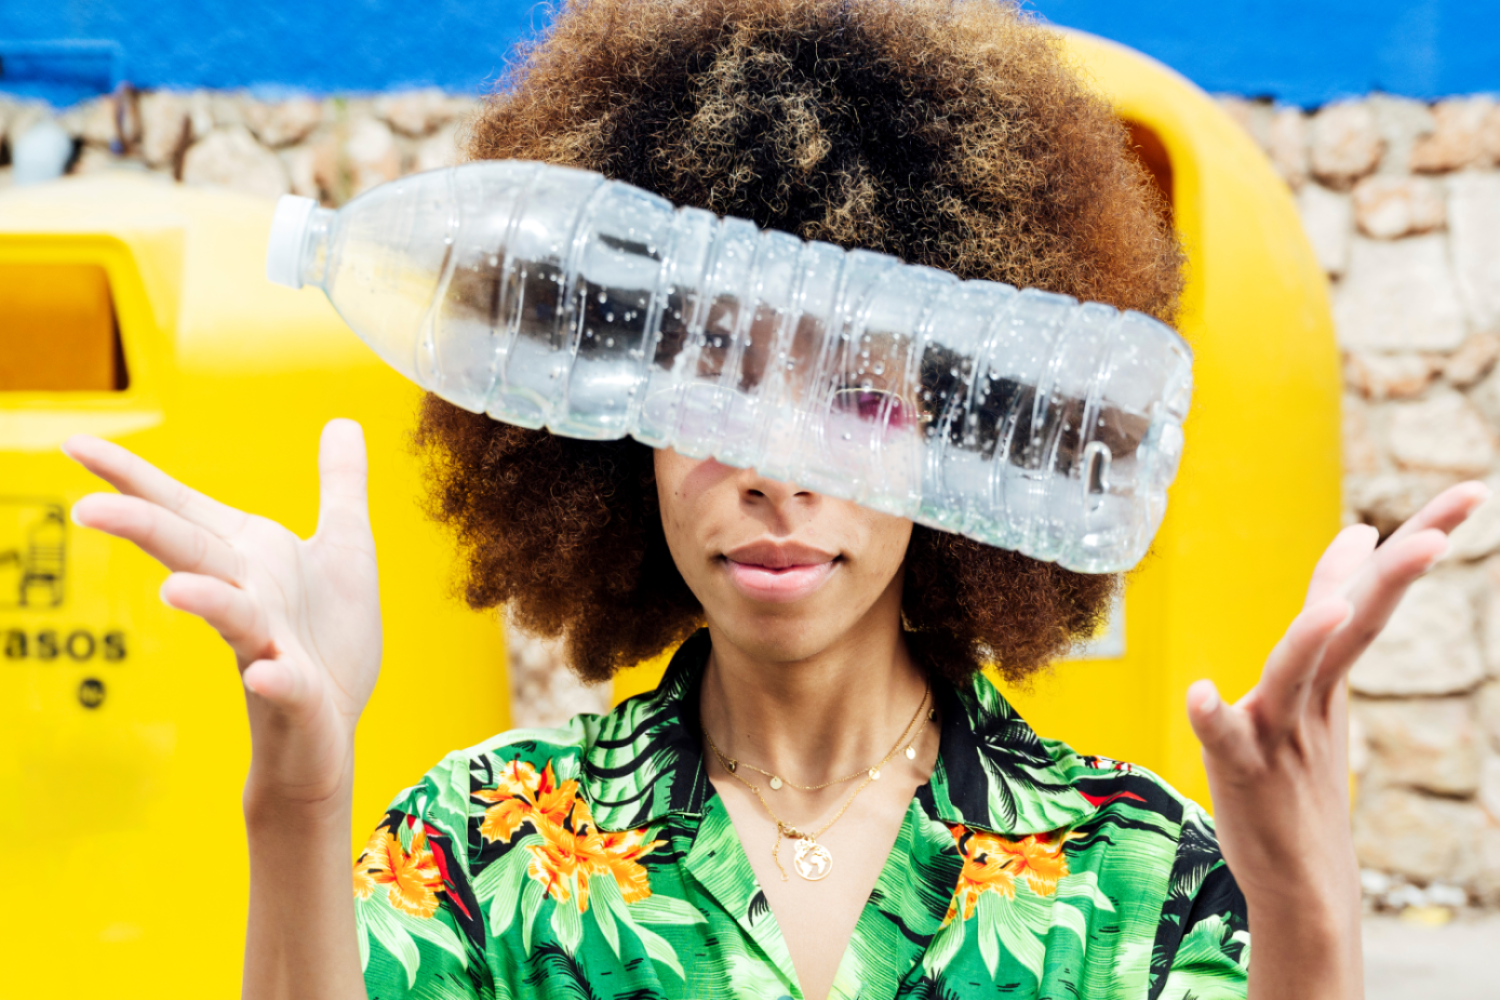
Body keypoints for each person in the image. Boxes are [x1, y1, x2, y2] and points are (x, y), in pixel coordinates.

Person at [63, 1, 1486, 998]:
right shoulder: (482, 846)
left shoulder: (1133, 869)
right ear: (607, 419)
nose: (775, 462)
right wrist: (301, 797)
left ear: (955, 435)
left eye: (856, 393)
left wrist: (1305, 902)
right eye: (714, 381)